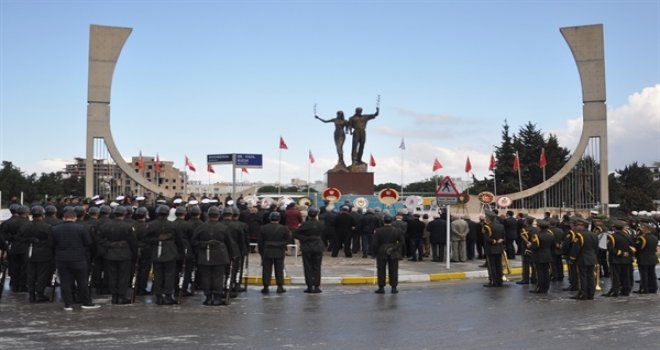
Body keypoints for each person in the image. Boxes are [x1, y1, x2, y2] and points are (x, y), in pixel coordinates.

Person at [49, 206, 99, 310]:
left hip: (62, 259)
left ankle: (68, 304)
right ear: (75, 218)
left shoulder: (55, 229)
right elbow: (88, 243)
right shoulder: (82, 228)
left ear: (64, 218)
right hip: (78, 258)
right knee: (82, 281)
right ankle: (86, 302)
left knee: (65, 282)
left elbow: (51, 244)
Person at [191, 206, 233, 305]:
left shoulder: (201, 227)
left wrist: (203, 244)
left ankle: (208, 297)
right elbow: (229, 243)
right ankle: (217, 297)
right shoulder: (223, 228)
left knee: (206, 277)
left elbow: (193, 241)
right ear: (218, 216)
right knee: (218, 277)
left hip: (205, 255)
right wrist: (231, 256)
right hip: (220, 255)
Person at [145, 204, 183, 305]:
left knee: (157, 275)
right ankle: (167, 295)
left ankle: (159, 296)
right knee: (169, 275)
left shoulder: (151, 224)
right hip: (170, 252)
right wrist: (181, 252)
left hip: (157, 252)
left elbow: (146, 238)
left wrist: (156, 239)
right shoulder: (173, 225)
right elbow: (179, 240)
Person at [99, 206, 138, 305]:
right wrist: (135, 254)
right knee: (123, 276)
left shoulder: (106, 225)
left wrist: (109, 245)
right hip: (124, 254)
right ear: (124, 214)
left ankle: (114, 296)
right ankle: (121, 296)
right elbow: (133, 242)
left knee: (112, 276)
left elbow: (99, 239)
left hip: (110, 254)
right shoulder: (128, 226)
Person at [18, 206, 53, 302]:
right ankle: (40, 294)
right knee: (42, 275)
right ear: (42, 214)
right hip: (44, 253)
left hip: (30, 251)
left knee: (30, 275)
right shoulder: (47, 227)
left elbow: (20, 238)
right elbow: (51, 241)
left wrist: (29, 240)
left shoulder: (25, 226)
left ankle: (31, 294)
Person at [293, 207, 325, 293]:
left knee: (308, 267)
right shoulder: (321, 224)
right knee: (317, 267)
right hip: (318, 246)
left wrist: (305, 238)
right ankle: (317, 286)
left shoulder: (305, 224)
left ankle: (310, 286)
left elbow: (295, 234)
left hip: (307, 246)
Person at [258, 212, 291, 294]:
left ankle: (266, 287)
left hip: (267, 251)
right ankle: (280, 286)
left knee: (266, 270)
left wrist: (261, 253)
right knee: (279, 269)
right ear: (279, 219)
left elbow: (260, 242)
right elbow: (288, 239)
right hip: (279, 251)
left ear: (270, 218)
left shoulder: (263, 228)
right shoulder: (284, 228)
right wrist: (281, 244)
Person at [568, 216, 599, 300]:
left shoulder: (580, 235)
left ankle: (583, 293)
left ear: (582, 226)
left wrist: (572, 258)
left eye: (578, 225)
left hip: (582, 259)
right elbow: (596, 248)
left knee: (582, 277)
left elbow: (576, 248)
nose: (577, 227)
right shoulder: (594, 234)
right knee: (591, 276)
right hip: (592, 258)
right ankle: (591, 293)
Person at [373, 214, 405, 294]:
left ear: (383, 221)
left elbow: (374, 243)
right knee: (394, 270)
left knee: (381, 270)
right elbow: (402, 242)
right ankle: (394, 287)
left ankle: (381, 287)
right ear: (392, 221)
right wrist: (394, 248)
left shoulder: (378, 230)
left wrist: (375, 252)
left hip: (381, 250)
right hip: (393, 251)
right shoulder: (397, 230)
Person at [602, 219, 634, 297]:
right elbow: (633, 247)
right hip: (627, 259)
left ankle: (615, 291)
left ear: (614, 228)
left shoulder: (612, 237)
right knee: (625, 276)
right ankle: (625, 291)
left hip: (615, 259)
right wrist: (628, 253)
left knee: (615, 276)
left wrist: (621, 253)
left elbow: (610, 248)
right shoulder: (628, 236)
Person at [528, 219, 554, 294]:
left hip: (539, 256)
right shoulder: (550, 235)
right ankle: (546, 287)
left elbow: (535, 246)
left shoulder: (536, 235)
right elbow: (553, 246)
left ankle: (540, 287)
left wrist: (530, 245)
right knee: (546, 272)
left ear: (539, 227)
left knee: (539, 273)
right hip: (548, 255)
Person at [482, 210, 505, 287]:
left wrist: (495, 241)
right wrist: (500, 240)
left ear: (488, 218)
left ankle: (493, 281)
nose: (485, 218)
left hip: (491, 249)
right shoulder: (501, 226)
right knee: (499, 266)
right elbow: (503, 237)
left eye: (486, 217)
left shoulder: (487, 227)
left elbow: (487, 239)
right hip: (499, 248)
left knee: (492, 267)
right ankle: (500, 281)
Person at [634, 222, 658, 294]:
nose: (641, 229)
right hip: (652, 257)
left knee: (644, 274)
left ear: (646, 229)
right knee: (652, 274)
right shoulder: (655, 237)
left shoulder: (642, 238)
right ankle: (653, 288)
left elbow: (638, 248)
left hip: (643, 258)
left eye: (642, 228)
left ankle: (644, 289)